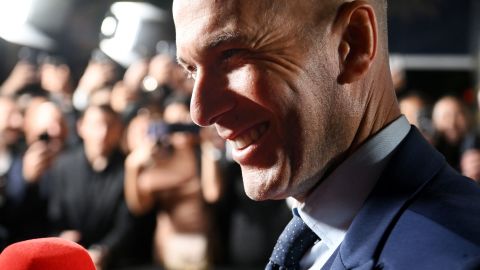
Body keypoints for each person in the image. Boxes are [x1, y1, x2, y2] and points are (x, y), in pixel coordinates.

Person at [173, 0, 480, 269]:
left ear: (352, 44)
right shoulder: (313, 239)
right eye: (191, 70)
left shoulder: (453, 256)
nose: (200, 112)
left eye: (231, 54)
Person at [48, 104, 154, 270]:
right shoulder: (63, 165)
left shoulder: (127, 167)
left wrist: (105, 250)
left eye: (110, 126)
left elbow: (127, 221)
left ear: (119, 130)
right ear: (81, 127)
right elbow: (54, 213)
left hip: (115, 260)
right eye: (97, 125)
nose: (103, 133)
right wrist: (61, 238)